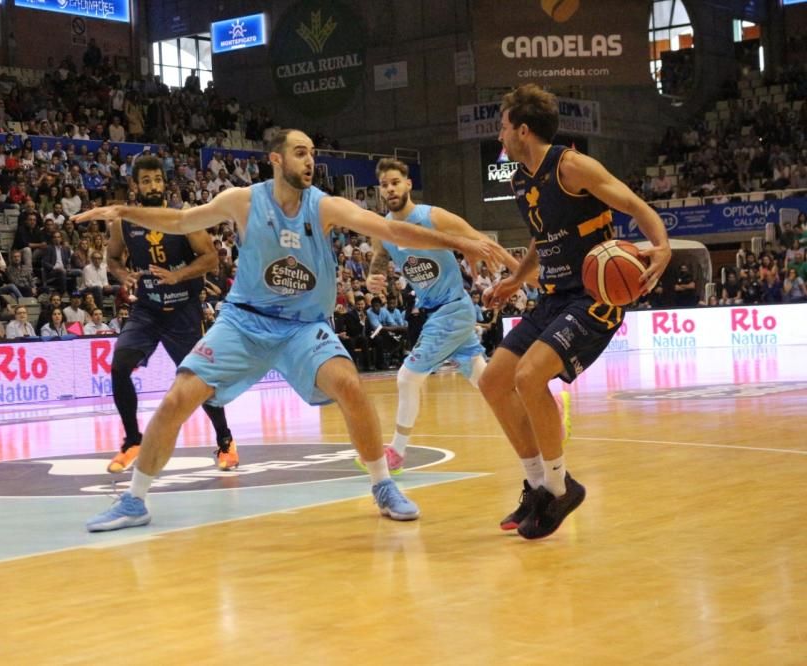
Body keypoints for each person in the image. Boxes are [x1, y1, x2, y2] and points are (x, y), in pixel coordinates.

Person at [73, 129, 509, 532]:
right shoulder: (242, 200)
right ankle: (135, 501)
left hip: (303, 327)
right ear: (276, 160)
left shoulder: (324, 205)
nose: (310, 161)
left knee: (349, 386)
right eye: (301, 153)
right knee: (177, 398)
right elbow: (183, 221)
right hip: (244, 321)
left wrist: (461, 241)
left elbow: (392, 229)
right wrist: (125, 211)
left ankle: (383, 484)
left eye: (313, 154)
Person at [479, 84, 671, 540]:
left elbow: (634, 204)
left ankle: (561, 486)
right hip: (552, 297)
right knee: (493, 380)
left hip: (594, 298)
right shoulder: (520, 180)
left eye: (503, 127)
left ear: (522, 130)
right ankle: (538, 486)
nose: (499, 135)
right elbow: (542, 239)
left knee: (529, 377)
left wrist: (661, 246)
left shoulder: (572, 166)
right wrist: (515, 279)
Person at [83, 155, 238, 475]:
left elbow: (211, 259)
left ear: (164, 183)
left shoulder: (183, 217)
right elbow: (112, 259)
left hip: (183, 309)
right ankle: (132, 441)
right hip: (148, 309)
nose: (153, 185)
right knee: (119, 364)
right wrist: (123, 274)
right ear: (136, 186)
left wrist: (179, 276)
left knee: (200, 382)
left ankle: (225, 440)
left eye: (157, 179)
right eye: (146, 180)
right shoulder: (123, 223)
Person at [363, 157, 520, 472]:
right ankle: (544, 407)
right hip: (439, 312)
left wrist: (518, 274)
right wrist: (372, 278)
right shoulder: (382, 228)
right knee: (486, 381)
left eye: (395, 182)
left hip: (451, 309)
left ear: (408, 184)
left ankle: (396, 451)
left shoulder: (432, 216)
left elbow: (480, 239)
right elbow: (378, 260)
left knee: (408, 377)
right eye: (384, 185)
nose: (390, 189)